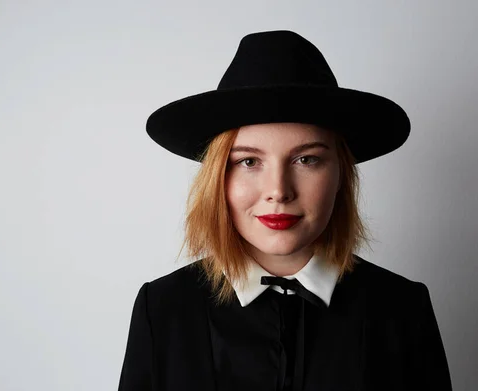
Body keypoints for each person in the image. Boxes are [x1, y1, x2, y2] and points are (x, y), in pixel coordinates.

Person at [118, 30, 452, 391]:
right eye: (248, 161)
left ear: (341, 174)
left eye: (307, 159)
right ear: (218, 178)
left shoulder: (401, 309)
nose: (278, 191)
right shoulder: (164, 309)